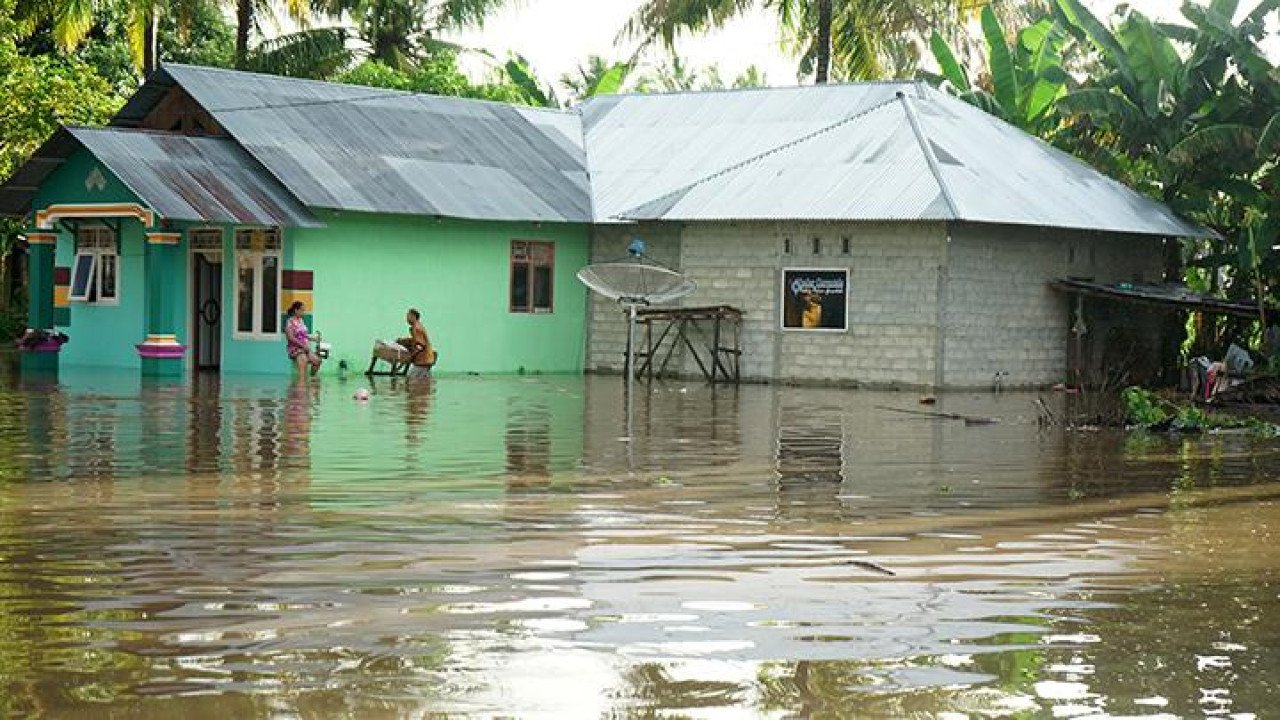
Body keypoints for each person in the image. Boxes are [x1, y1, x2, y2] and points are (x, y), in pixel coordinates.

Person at [397, 308, 437, 378]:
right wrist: (404, 340)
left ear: (413, 316)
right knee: (423, 383)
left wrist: (408, 359)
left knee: (410, 379)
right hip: (426, 361)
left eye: (408, 316)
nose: (406, 319)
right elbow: (417, 341)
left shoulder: (416, 328)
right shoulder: (418, 326)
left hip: (422, 361)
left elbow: (420, 346)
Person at [285, 301, 322, 377]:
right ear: (296, 310)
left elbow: (303, 335)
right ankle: (301, 384)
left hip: (305, 348)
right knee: (303, 365)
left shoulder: (301, 321)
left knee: (317, 361)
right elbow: (290, 338)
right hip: (295, 349)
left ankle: (312, 379)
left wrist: (313, 338)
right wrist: (302, 345)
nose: (303, 312)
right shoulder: (290, 322)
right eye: (302, 310)